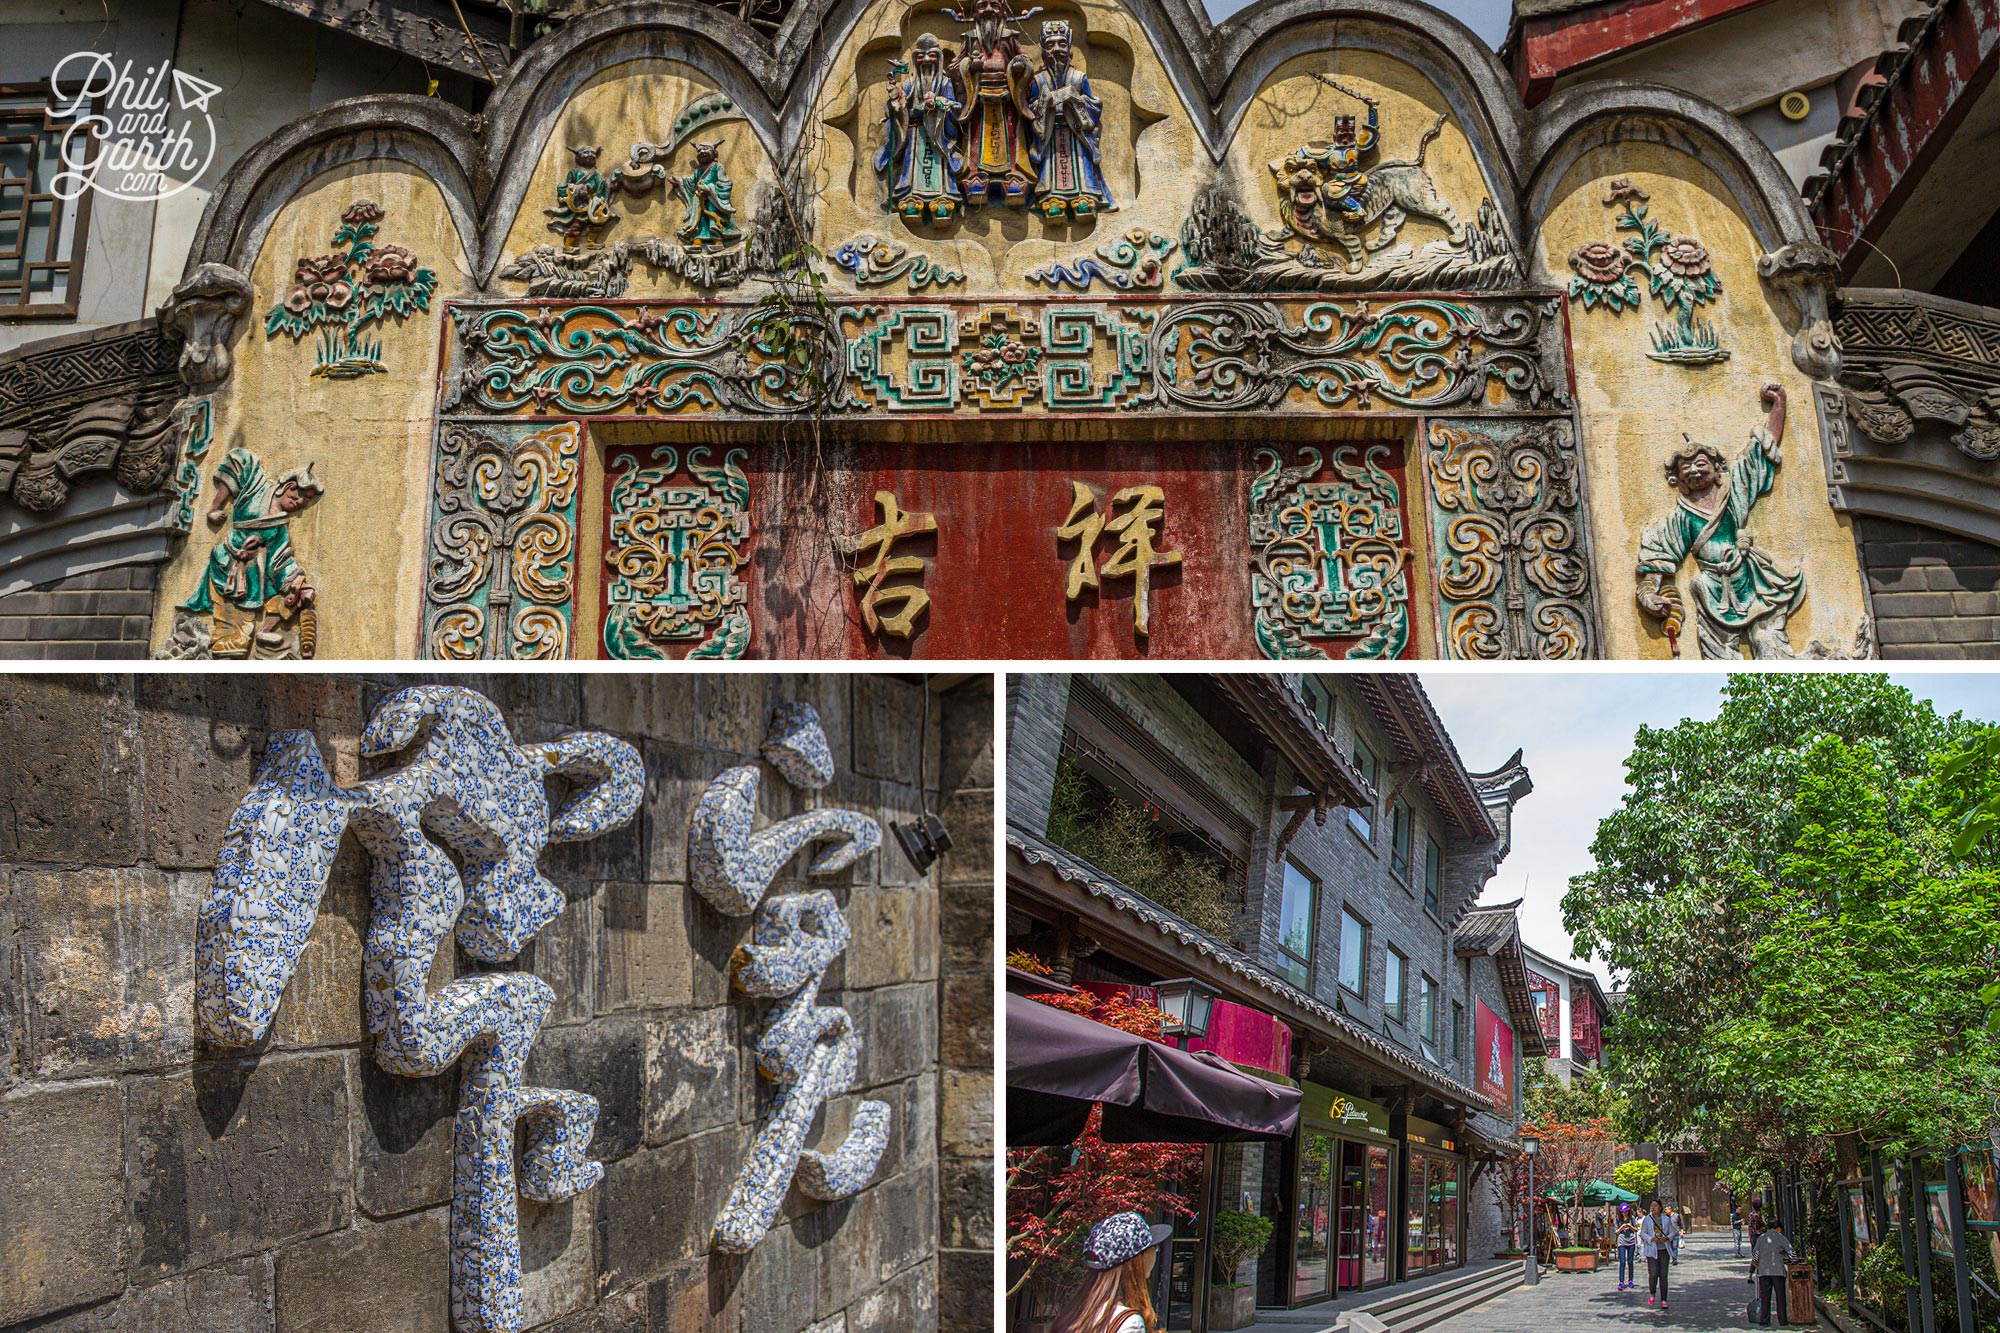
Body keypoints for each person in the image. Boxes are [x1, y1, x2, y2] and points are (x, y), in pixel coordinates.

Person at [1052, 1211, 1171, 1333]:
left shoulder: (1076, 1313)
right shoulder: (1129, 1323)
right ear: (1138, 1258)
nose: (1155, 1253)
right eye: (1154, 1247)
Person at [1748, 1218, 1794, 1326]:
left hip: (1764, 1271)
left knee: (1765, 1297)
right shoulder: (1781, 1238)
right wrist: (1791, 1261)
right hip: (1778, 1271)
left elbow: (1755, 1256)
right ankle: (1782, 1320)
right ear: (1778, 1228)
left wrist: (1757, 1266)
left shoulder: (1761, 1238)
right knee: (1780, 1297)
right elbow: (1792, 1253)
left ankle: (1764, 1320)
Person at [1640, 1199, 1679, 1310]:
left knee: (1663, 1275)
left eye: (1656, 1206)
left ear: (1660, 1207)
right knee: (1653, 1273)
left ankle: (1663, 1299)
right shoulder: (1647, 1219)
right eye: (1652, 1206)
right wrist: (1651, 1239)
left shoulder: (1666, 1219)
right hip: (1652, 1250)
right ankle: (1652, 1293)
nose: (1653, 1208)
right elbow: (1643, 1233)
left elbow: (1672, 1232)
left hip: (1663, 1249)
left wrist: (1667, 1238)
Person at [1616, 1207, 1641, 1291]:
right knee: (1622, 1262)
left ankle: (1630, 1280)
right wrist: (1622, 1227)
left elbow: (1636, 1229)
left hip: (1631, 1241)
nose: (1624, 1213)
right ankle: (1621, 1281)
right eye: (1623, 1212)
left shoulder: (1632, 1218)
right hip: (1621, 1242)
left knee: (1630, 1262)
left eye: (1626, 1211)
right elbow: (1616, 1232)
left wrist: (1630, 1227)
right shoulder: (1618, 1219)